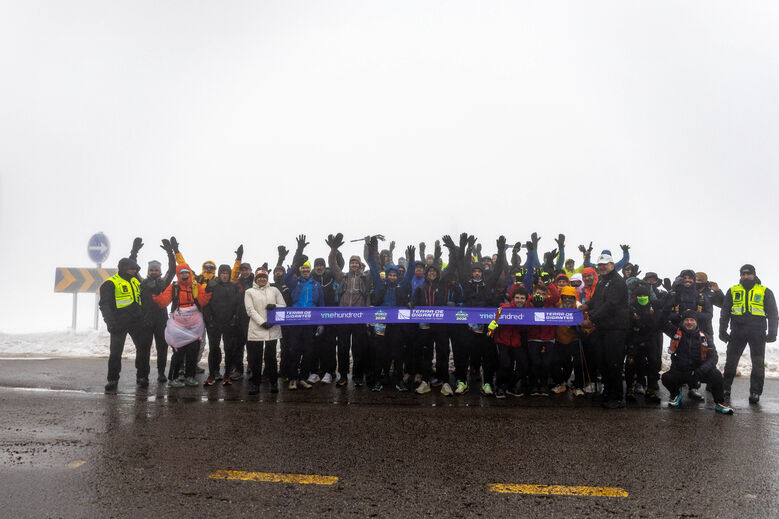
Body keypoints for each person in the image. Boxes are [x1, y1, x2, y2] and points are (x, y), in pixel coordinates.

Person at [719, 264, 778, 404]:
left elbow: (773, 314)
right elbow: (725, 312)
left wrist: (772, 333)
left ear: (754, 275)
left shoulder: (765, 291)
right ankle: (725, 388)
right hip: (737, 332)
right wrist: (722, 330)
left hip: (757, 333)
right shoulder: (733, 290)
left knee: (758, 364)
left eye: (748, 274)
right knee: (731, 363)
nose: (745, 277)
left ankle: (755, 393)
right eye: (743, 274)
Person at [367, 239, 416, 392]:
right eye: (390, 275)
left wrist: (412, 260)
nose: (393, 277)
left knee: (398, 354)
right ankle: (378, 380)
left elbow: (409, 275)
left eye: (395, 275)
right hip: (381, 325)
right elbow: (373, 268)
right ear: (387, 276)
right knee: (380, 354)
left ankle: (399, 380)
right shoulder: (380, 285)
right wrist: (372, 251)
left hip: (396, 327)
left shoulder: (401, 288)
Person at [581, 253, 629, 409]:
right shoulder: (602, 281)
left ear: (612, 265)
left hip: (616, 329)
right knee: (603, 362)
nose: (602, 267)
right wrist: (586, 306)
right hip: (603, 328)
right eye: (600, 265)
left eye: (605, 264)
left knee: (613, 363)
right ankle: (608, 392)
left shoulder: (618, 282)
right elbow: (596, 300)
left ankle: (617, 397)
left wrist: (591, 319)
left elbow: (611, 305)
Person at [662, 310, 733, 414]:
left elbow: (713, 357)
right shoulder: (675, 334)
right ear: (682, 322)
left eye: (692, 320)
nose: (689, 322)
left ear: (696, 322)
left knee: (716, 375)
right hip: (681, 372)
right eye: (686, 320)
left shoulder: (704, 337)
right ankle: (676, 394)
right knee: (666, 377)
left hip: (698, 373)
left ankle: (720, 402)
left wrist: (701, 370)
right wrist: (670, 308)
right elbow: (663, 322)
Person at [152, 264, 212, 387]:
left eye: (186, 273)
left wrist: (209, 291)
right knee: (179, 351)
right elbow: (163, 302)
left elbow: (203, 301)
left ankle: (189, 376)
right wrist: (155, 293)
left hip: (194, 324)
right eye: (181, 273)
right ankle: (173, 378)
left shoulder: (196, 286)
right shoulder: (174, 287)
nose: (184, 275)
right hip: (178, 325)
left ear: (190, 273)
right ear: (178, 275)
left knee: (193, 351)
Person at [327, 233, 371, 387]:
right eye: (352, 262)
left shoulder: (365, 278)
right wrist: (334, 249)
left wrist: (368, 247)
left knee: (359, 349)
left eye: (356, 263)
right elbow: (333, 264)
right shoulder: (343, 277)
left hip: (359, 319)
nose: (353, 264)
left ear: (359, 265)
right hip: (344, 318)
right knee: (343, 349)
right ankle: (343, 376)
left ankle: (358, 376)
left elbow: (373, 263)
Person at [100, 255, 147, 393]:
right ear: (124, 269)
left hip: (136, 322)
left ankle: (142, 377)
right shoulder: (110, 283)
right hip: (118, 323)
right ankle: (112, 380)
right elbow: (104, 305)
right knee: (116, 352)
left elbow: (142, 300)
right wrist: (110, 323)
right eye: (131, 269)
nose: (134, 271)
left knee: (143, 349)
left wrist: (143, 316)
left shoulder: (135, 281)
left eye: (135, 269)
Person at [284, 235, 325, 390]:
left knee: (308, 351)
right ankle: (293, 378)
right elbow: (287, 277)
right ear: (301, 270)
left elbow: (321, 304)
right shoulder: (295, 282)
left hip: (311, 322)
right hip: (296, 321)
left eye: (308, 269)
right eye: (304, 269)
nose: (306, 271)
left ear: (311, 271)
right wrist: (297, 261)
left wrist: (321, 322)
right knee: (294, 350)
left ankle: (303, 378)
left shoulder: (316, 285)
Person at [244, 265, 287, 394]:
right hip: (257, 329)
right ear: (255, 279)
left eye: (264, 277)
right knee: (256, 359)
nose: (262, 279)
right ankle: (255, 384)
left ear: (267, 278)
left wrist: (275, 306)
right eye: (259, 277)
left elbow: (283, 306)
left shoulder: (274, 290)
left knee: (271, 358)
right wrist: (262, 323)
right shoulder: (249, 292)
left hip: (272, 329)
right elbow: (250, 310)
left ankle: (273, 382)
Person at [489, 284, 529, 398]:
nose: (519, 300)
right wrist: (492, 327)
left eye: (522, 298)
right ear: (513, 298)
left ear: (526, 300)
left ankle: (510, 386)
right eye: (517, 297)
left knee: (524, 364)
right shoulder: (504, 308)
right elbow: (492, 321)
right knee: (505, 364)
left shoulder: (527, 312)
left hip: (516, 341)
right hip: (502, 340)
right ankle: (499, 386)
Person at [203, 265, 240, 386]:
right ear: (219, 274)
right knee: (213, 348)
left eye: (227, 273)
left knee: (229, 349)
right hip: (215, 323)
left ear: (229, 274)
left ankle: (227, 375)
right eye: (222, 273)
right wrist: (209, 320)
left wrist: (235, 318)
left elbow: (238, 304)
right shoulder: (212, 285)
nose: (225, 275)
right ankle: (212, 374)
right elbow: (206, 303)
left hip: (229, 323)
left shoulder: (234, 286)